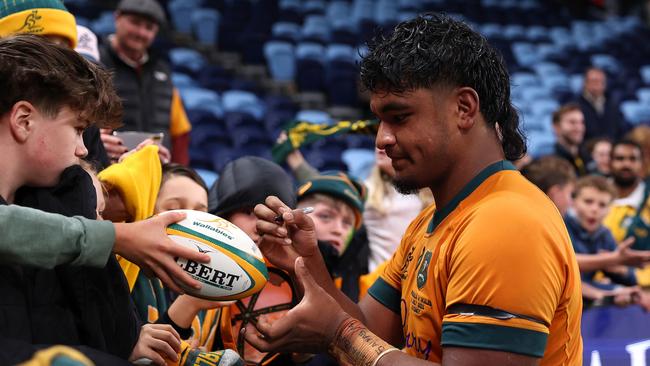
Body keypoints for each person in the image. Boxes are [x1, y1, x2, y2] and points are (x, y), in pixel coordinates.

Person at [248, 13, 582, 366]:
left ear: (464, 108)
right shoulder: (429, 223)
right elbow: (368, 331)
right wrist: (307, 262)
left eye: (400, 117)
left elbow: (351, 334)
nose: (382, 138)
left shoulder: (507, 221)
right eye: (379, 119)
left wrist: (338, 333)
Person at [0, 33, 188, 366]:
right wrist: (118, 236)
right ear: (24, 120)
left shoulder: (50, 202)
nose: (83, 149)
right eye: (78, 128)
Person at [0, 0, 111, 170]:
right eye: (42, 44)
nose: (56, 59)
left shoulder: (80, 114)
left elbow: (101, 181)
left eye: (64, 48)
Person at [99, 0, 191, 165]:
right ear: (117, 18)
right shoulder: (95, 62)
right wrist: (95, 145)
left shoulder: (163, 72)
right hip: (107, 170)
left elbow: (180, 134)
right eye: (135, 23)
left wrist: (179, 171)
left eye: (149, 27)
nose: (141, 32)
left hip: (156, 172)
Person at [565, 175, 650, 310]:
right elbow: (567, 273)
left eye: (602, 205)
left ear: (610, 209)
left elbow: (625, 277)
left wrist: (621, 271)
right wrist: (610, 261)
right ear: (573, 201)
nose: (594, 209)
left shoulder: (604, 234)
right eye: (588, 201)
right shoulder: (561, 226)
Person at [603, 139, 650, 286]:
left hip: (641, 285)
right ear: (609, 163)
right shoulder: (592, 196)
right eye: (620, 159)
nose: (626, 164)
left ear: (642, 164)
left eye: (632, 159)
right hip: (594, 285)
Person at [575, 66, 627, 141]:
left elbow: (620, 130)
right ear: (585, 83)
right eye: (594, 81)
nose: (598, 84)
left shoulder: (613, 105)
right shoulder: (575, 105)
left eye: (601, 81)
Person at [551, 103, 588, 176]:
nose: (579, 128)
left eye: (582, 122)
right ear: (556, 127)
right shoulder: (552, 161)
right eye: (572, 122)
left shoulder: (587, 155)